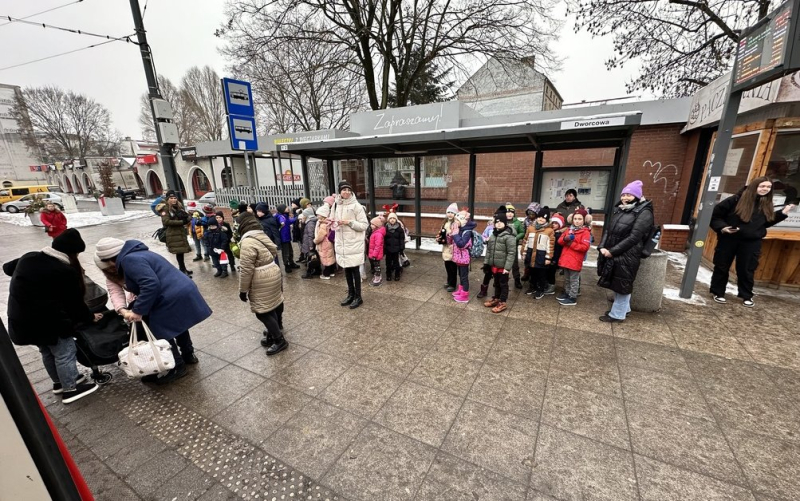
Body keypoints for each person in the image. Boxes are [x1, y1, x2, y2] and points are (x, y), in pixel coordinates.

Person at [4, 229, 101, 403]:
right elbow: (74, 304)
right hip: (48, 321)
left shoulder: (30, 257)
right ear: (71, 252)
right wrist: (90, 317)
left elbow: (7, 268)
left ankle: (59, 383)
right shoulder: (63, 270)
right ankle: (71, 389)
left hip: (22, 320)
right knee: (65, 352)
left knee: (47, 351)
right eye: (77, 253)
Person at [99, 238, 211, 383]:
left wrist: (137, 311)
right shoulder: (139, 253)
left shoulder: (128, 260)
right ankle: (188, 355)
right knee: (177, 325)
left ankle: (177, 366)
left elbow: (150, 284)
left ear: (109, 259)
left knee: (162, 330)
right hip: (177, 291)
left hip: (168, 296)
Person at [709, 176, 795, 307]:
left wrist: (782, 213)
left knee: (747, 269)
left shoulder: (766, 203)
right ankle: (718, 292)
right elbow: (715, 216)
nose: (765, 189)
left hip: (751, 242)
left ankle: (746, 295)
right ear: (754, 186)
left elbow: (765, 223)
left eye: (768, 187)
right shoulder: (735, 200)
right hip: (729, 239)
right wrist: (723, 227)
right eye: (762, 186)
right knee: (722, 266)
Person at [597, 180, 653, 322]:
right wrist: (602, 246)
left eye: (629, 194)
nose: (625, 198)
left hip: (628, 254)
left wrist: (613, 251)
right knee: (618, 282)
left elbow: (634, 237)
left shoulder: (644, 212)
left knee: (623, 284)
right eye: (624, 194)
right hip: (616, 252)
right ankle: (623, 309)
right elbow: (608, 230)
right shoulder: (621, 209)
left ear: (637, 196)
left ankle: (617, 315)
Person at [237, 212, 287, 355]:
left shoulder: (247, 241)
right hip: (273, 270)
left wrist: (243, 290)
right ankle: (274, 330)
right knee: (274, 302)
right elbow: (273, 249)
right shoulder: (260, 234)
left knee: (262, 311)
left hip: (261, 276)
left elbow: (246, 269)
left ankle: (279, 340)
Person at [332, 180, 369, 309]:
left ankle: (358, 297)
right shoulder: (336, 205)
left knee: (354, 270)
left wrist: (349, 222)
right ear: (340, 192)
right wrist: (331, 222)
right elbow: (333, 222)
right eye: (344, 190)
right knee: (346, 269)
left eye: (348, 190)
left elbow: (364, 225)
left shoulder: (357, 206)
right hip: (341, 243)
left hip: (353, 243)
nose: (346, 192)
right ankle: (351, 294)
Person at [482, 206, 517, 313]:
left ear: (505, 223)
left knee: (503, 284)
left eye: (501, 222)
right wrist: (487, 263)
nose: (498, 224)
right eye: (496, 222)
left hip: (503, 267)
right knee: (496, 283)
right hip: (494, 265)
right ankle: (496, 298)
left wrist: (507, 268)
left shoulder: (509, 236)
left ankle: (502, 302)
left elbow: (511, 253)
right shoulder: (493, 235)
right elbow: (489, 250)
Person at [557, 209, 592, 306]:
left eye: (580, 219)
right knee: (567, 279)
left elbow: (584, 247)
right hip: (566, 259)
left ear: (584, 220)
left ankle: (572, 297)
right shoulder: (569, 230)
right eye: (575, 219)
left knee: (574, 280)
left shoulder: (585, 232)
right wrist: (565, 238)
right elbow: (560, 241)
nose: (577, 221)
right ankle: (567, 293)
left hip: (575, 261)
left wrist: (571, 243)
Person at [157, 190, 193, 277]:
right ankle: (182, 271)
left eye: (174, 198)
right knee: (179, 252)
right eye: (171, 198)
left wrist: (187, 218)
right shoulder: (165, 208)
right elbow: (166, 221)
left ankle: (183, 269)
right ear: (167, 199)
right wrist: (181, 222)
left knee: (181, 252)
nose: (173, 200)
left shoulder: (178, 206)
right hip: (173, 233)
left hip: (179, 232)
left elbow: (185, 216)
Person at [523, 206, 554, 299]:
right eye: (540, 217)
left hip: (541, 255)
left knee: (541, 274)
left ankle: (540, 289)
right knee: (532, 272)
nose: (541, 219)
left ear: (547, 219)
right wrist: (524, 252)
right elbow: (526, 241)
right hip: (531, 254)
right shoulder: (531, 228)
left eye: (543, 218)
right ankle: (532, 286)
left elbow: (550, 245)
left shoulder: (549, 231)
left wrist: (548, 257)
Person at [451, 209, 476, 303]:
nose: (455, 222)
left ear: (462, 221)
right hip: (459, 257)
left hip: (464, 258)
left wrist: (455, 234)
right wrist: (451, 235)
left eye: (457, 221)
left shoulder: (467, 232)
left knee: (464, 277)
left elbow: (461, 244)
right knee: (460, 275)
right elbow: (452, 241)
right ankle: (460, 290)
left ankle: (464, 295)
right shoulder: (460, 229)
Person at [437, 203, 460, 292]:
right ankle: (449, 281)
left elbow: (456, 235)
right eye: (448, 212)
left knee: (453, 268)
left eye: (452, 212)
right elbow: (441, 232)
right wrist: (439, 237)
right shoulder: (445, 223)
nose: (450, 214)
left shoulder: (456, 224)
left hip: (452, 248)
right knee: (447, 266)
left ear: (455, 214)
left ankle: (453, 284)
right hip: (445, 247)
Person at [314, 202, 336, 279]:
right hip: (329, 242)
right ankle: (332, 272)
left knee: (325, 258)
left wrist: (315, 241)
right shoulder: (328, 222)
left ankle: (326, 274)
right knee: (330, 257)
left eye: (318, 215)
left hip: (324, 243)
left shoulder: (323, 224)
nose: (317, 216)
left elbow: (321, 235)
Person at [505, 204, 525, 289]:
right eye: (508, 212)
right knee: (503, 264)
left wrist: (516, 238)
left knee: (514, 264)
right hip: (503, 246)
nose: (509, 214)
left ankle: (517, 280)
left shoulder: (517, 222)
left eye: (511, 212)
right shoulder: (502, 221)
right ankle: (502, 280)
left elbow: (522, 232)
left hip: (513, 247)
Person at [276, 204, 300, 272]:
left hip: (287, 237)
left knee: (290, 251)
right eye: (286, 208)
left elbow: (289, 221)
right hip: (284, 238)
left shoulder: (285, 216)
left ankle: (291, 262)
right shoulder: (281, 217)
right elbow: (282, 220)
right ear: (282, 209)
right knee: (286, 252)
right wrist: (282, 222)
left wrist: (296, 217)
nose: (287, 208)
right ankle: (287, 265)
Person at [384, 212, 405, 281]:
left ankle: (397, 274)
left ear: (396, 220)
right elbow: (384, 239)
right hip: (388, 249)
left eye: (394, 218)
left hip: (396, 249)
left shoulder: (399, 229)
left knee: (396, 263)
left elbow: (401, 239)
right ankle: (388, 274)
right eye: (390, 218)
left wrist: (401, 248)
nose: (392, 220)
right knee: (388, 263)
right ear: (388, 220)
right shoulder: (386, 228)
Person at [300, 208, 319, 279]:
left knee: (310, 258)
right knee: (314, 257)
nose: (303, 216)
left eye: (304, 215)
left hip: (309, 244)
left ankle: (309, 273)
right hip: (309, 243)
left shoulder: (310, 223)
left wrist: (311, 246)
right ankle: (317, 270)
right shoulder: (311, 221)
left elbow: (311, 235)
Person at [367, 216, 386, 286]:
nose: (371, 226)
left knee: (377, 266)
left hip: (376, 255)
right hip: (374, 254)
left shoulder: (378, 234)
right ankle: (376, 276)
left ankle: (378, 278)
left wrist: (374, 255)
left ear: (377, 226)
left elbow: (378, 246)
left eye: (372, 224)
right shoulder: (375, 232)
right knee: (375, 266)